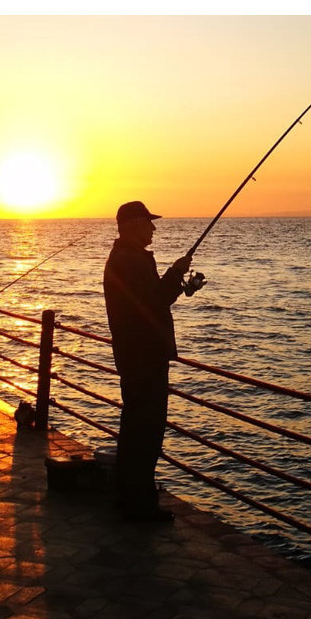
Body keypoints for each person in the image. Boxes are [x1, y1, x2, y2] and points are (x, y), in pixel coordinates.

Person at [102, 201, 193, 522]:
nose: (153, 228)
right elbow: (154, 301)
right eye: (147, 223)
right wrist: (176, 272)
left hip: (135, 355)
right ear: (130, 226)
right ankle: (139, 504)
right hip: (144, 357)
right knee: (147, 429)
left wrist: (176, 280)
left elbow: (149, 299)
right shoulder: (131, 261)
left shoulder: (126, 258)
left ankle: (129, 496)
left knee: (135, 426)